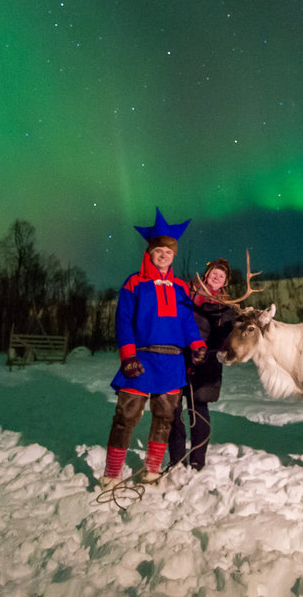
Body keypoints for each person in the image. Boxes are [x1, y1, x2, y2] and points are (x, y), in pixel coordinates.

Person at [100, 209, 207, 489]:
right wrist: (128, 356)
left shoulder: (181, 287)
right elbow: (123, 320)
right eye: (159, 250)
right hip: (141, 359)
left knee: (165, 419)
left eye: (168, 252)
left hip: (171, 362)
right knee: (126, 417)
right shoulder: (134, 282)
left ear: (173, 255)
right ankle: (112, 474)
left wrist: (197, 344)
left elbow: (187, 321)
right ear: (150, 252)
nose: (164, 255)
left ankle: (151, 470)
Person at [168, 257, 236, 472]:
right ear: (206, 274)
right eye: (214, 272)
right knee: (174, 409)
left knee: (198, 409)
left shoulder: (226, 306)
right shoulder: (187, 294)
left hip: (206, 362)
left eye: (222, 275)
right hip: (179, 357)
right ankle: (177, 458)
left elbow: (227, 336)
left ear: (225, 281)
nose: (217, 277)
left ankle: (198, 460)